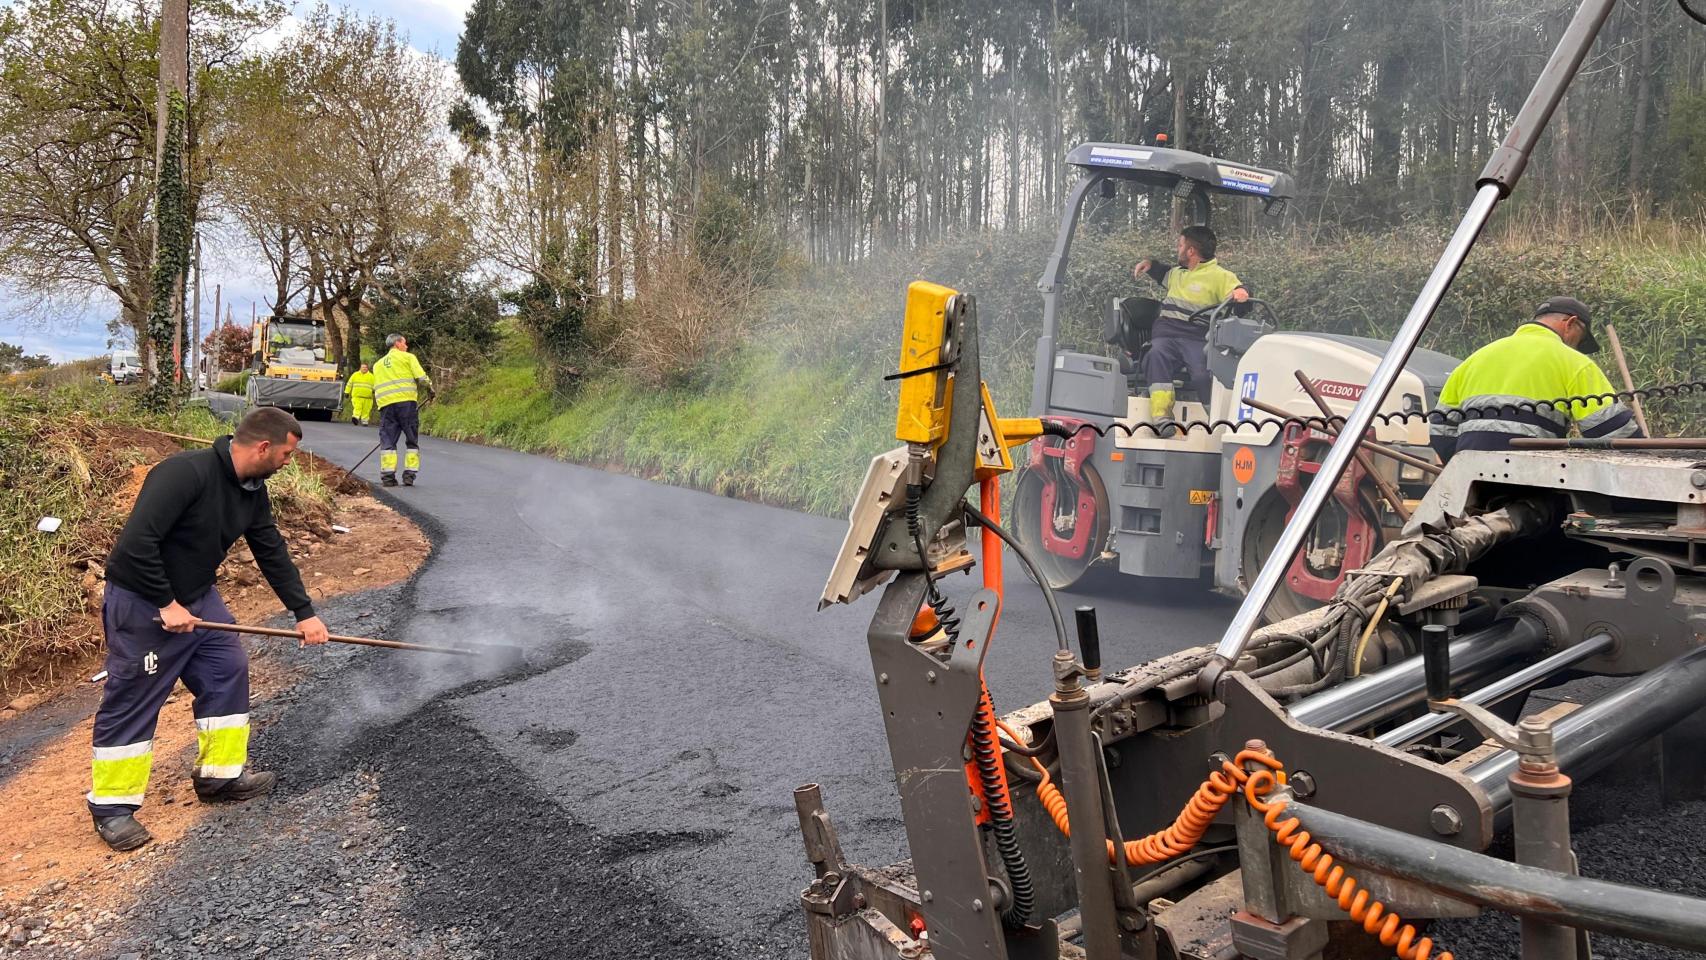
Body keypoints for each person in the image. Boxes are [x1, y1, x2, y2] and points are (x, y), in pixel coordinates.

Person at [89, 407, 331, 851]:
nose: (288, 462)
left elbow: (271, 550)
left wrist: (304, 612)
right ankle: (112, 808)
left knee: (227, 669)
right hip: (143, 603)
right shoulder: (184, 474)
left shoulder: (252, 491)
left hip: (199, 598)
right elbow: (136, 545)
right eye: (287, 454)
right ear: (264, 447)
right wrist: (166, 603)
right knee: (134, 698)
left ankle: (219, 777)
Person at [1430, 296, 1644, 462]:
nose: (1577, 347)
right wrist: (1647, 456)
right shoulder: (1572, 361)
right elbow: (1613, 431)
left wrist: (1463, 465)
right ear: (1570, 323)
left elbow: (1440, 428)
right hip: (1533, 480)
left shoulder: (1474, 359)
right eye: (1580, 341)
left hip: (1472, 477)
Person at [1132, 225, 1250, 426]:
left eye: (1180, 245)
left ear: (1191, 251)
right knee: (1155, 355)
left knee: (1204, 374)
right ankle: (1162, 417)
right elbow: (1162, 272)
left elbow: (1239, 293)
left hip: (1196, 338)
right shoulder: (1176, 273)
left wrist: (1242, 293)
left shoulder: (1219, 276)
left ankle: (1218, 422)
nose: (1177, 249)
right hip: (1166, 337)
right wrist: (1149, 265)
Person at [371, 333, 433, 487]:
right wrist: (430, 389)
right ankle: (409, 475)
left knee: (388, 440)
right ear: (397, 343)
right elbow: (421, 378)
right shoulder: (408, 357)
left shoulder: (377, 365)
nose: (406, 346)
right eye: (405, 343)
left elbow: (375, 387)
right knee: (411, 439)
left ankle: (388, 477)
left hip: (386, 406)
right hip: (406, 404)